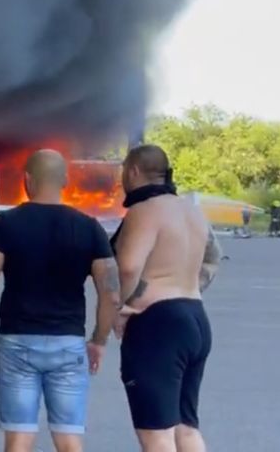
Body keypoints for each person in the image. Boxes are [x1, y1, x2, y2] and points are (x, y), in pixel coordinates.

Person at [0, 150, 119, 452]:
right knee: (70, 439)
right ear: (65, 181)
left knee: (19, 438)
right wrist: (98, 340)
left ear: (27, 181)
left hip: (17, 342)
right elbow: (110, 292)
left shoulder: (7, 224)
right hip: (69, 343)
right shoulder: (89, 227)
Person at [113, 144, 221, 452]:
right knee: (186, 427)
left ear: (133, 171)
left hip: (158, 325)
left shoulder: (143, 211)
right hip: (196, 316)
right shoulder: (192, 211)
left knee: (156, 434)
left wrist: (124, 307)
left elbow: (129, 266)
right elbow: (211, 260)